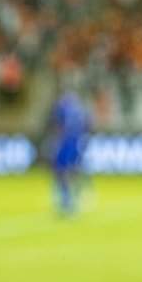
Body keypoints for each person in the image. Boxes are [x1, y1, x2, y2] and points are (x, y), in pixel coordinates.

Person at [48, 86, 90, 216]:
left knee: (61, 170)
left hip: (65, 142)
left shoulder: (62, 106)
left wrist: (56, 141)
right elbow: (87, 125)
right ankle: (77, 193)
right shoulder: (81, 108)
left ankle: (67, 199)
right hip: (76, 142)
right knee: (74, 168)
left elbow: (57, 124)